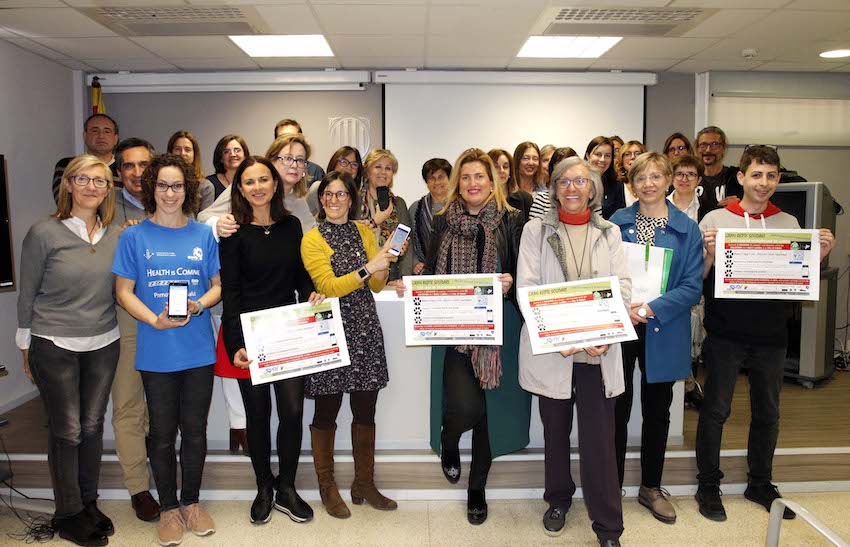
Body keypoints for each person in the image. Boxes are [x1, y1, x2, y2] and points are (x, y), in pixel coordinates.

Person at [695, 145, 835, 522]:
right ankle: (708, 485)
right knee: (715, 412)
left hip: (773, 334)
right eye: (756, 174)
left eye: (771, 175)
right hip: (725, 333)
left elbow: (800, 281)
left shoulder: (789, 223)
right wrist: (708, 255)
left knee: (768, 413)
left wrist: (817, 257)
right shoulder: (714, 219)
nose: (764, 183)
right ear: (740, 178)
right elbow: (697, 282)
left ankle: (760, 482)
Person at [517, 156, 629, 546]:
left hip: (598, 350)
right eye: (563, 181)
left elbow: (622, 287)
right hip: (556, 351)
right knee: (556, 433)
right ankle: (558, 500)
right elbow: (527, 288)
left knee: (600, 440)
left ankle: (608, 525)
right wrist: (560, 337)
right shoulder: (535, 231)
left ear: (593, 189)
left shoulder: (610, 232)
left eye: (580, 181)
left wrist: (606, 335)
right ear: (554, 189)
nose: (571, 188)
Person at [113, 154, 222, 546]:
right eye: (162, 185)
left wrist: (199, 304)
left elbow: (217, 285)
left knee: (194, 431)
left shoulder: (202, 235)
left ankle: (191, 503)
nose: (170, 193)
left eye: (177, 185)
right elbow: (123, 292)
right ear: (150, 188)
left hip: (197, 350)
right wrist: (153, 320)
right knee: (161, 434)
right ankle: (169, 508)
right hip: (156, 348)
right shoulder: (134, 236)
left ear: (187, 189)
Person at [421, 148, 529, 526]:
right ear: (457, 183)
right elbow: (433, 275)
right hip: (454, 330)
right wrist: (415, 288)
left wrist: (512, 282)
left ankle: (476, 488)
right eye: (465, 177)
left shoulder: (511, 220)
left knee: (490, 413)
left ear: (492, 181)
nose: (472, 184)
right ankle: (449, 443)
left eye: (479, 177)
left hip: (500, 330)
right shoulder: (441, 221)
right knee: (465, 408)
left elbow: (523, 271)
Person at [18, 155, 120, 546]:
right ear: (69, 184)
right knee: (68, 431)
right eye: (84, 179)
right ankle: (68, 513)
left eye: (101, 181)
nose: (92, 187)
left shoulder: (115, 234)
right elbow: (26, 294)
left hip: (103, 342)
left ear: (108, 190)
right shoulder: (44, 232)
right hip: (54, 342)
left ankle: (87, 502)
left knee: (93, 427)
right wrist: (25, 346)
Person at [219, 156, 323, 525]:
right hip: (249, 332)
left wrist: (310, 292)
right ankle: (264, 486)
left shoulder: (291, 225)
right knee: (258, 415)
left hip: (287, 329)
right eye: (249, 182)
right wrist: (236, 344)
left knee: (293, 411)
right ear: (240, 189)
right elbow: (230, 292)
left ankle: (288, 488)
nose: (258, 187)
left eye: (264, 179)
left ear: (275, 184)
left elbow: (300, 275)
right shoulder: (233, 232)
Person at [609, 152, 703, 525]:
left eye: (655, 176)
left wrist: (650, 309)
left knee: (657, 411)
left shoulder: (687, 228)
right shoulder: (615, 223)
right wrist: (624, 306)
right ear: (631, 184)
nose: (648, 183)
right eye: (640, 177)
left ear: (669, 180)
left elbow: (692, 286)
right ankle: (610, 484)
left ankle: (651, 486)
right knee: (616, 406)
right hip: (621, 325)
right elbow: (603, 273)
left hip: (663, 325)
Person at [300, 171, 400, 519]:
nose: (334, 200)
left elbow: (375, 286)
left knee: (365, 411)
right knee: (326, 413)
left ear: (351, 198)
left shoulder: (363, 231)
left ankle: (364, 484)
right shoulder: (311, 239)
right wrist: (367, 268)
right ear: (320, 199)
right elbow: (326, 286)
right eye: (328, 194)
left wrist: (383, 265)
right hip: (329, 332)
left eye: (341, 194)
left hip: (364, 329)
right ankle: (327, 487)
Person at [110, 137, 161, 522]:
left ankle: (163, 476)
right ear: (119, 171)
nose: (138, 173)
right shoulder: (106, 209)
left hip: (170, 319)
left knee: (162, 408)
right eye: (129, 165)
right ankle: (138, 488)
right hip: (128, 320)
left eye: (145, 164)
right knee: (128, 404)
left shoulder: (171, 202)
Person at [668, 155, 708, 410]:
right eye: (679, 174)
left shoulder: (708, 210)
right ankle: (677, 390)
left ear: (699, 180)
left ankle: (690, 386)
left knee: (694, 339)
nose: (684, 179)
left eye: (690, 175)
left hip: (696, 280)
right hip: (665, 283)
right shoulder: (659, 204)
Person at [358, 148, 413, 283]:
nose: (383, 172)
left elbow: (407, 245)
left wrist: (403, 279)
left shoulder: (399, 203)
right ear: (368, 170)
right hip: (360, 272)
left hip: (390, 274)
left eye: (388, 168)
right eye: (378, 167)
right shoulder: (354, 200)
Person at [52, 114, 120, 204]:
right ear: (85, 136)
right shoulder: (68, 165)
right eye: (95, 131)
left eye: (107, 131)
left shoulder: (125, 169)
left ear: (115, 139)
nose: (101, 136)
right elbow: (64, 203)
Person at [409, 158, 451, 274]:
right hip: (425, 273)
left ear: (450, 179)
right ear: (427, 182)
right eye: (432, 178)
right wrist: (415, 263)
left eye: (441, 177)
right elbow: (409, 241)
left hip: (456, 272)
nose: (437, 182)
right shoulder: (416, 208)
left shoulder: (461, 207)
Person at [695, 126, 742, 212]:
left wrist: (740, 204)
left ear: (724, 148)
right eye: (703, 145)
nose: (708, 150)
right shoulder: (690, 178)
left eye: (714, 145)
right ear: (697, 148)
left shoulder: (736, 178)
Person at [307, 146, 363, 216]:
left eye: (354, 164)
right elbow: (306, 220)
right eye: (343, 162)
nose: (349, 167)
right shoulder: (317, 188)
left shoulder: (358, 195)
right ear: (334, 163)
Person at [168, 131, 214, 213]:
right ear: (171, 152)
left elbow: (205, 221)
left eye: (187, 149)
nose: (182, 153)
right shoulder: (161, 184)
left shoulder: (205, 187)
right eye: (177, 149)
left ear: (194, 154)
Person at [529, 147, 578, 220]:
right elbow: (533, 230)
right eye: (559, 167)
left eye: (568, 167)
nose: (564, 172)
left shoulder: (586, 197)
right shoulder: (542, 199)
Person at [274, 118, 326, 185]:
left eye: (293, 138)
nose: (288, 142)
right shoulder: (266, 169)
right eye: (283, 138)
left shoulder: (315, 171)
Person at [488, 149, 532, 221]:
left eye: (505, 167)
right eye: (496, 167)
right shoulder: (481, 198)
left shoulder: (525, 198)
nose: (502, 170)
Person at [584, 136, 622, 220]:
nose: (602, 159)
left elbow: (619, 217)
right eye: (598, 154)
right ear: (588, 155)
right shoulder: (577, 182)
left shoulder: (616, 185)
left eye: (607, 156)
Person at [207, 135, 249, 199]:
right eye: (226, 152)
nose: (232, 154)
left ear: (245, 155)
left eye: (237, 150)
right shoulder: (209, 183)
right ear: (221, 158)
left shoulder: (252, 182)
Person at [614, 140, 647, 207]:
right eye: (627, 154)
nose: (632, 157)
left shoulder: (652, 184)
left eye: (637, 153)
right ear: (622, 160)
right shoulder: (614, 187)